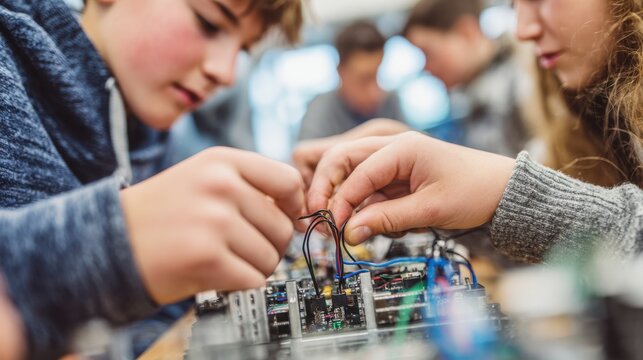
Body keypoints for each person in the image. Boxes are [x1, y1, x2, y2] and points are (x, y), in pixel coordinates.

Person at [0, 0, 304, 357]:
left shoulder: (152, 135)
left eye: (242, 49)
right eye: (208, 23)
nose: (227, 73)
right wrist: (115, 242)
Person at [305, 0, 643, 263]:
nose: (523, 29)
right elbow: (571, 265)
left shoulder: (525, 90)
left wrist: (507, 194)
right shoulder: (571, 102)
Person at [403, 0, 531, 156]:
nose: (426, 67)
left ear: (466, 32)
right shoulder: (464, 95)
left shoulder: (524, 81)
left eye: (428, 53)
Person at [297, 20, 406, 141]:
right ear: (341, 72)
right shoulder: (321, 109)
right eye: (364, 79)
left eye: (378, 75)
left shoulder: (390, 101)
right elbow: (302, 155)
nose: (375, 92)